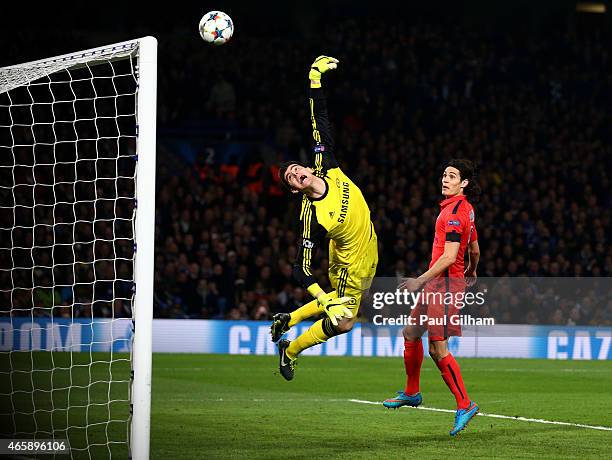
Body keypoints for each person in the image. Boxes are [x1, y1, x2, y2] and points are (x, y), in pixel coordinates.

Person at [270, 56, 378, 380]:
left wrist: (315, 78)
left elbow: (321, 120)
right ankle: (290, 350)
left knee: (342, 303)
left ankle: (288, 320)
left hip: (371, 247)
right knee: (344, 319)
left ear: (304, 167)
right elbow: (299, 268)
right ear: (293, 189)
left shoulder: (326, 164)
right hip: (347, 265)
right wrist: (322, 299)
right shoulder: (311, 217)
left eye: (295, 168)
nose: (296, 174)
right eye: (290, 178)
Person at [382, 159, 481, 436]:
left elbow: (450, 256)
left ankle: (465, 403)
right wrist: (472, 269)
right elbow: (473, 247)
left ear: (464, 183)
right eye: (444, 174)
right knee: (411, 332)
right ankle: (412, 392)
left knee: (438, 349)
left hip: (444, 287)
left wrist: (419, 280)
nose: (445, 179)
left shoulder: (453, 213)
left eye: (452, 176)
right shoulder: (465, 210)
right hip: (439, 284)